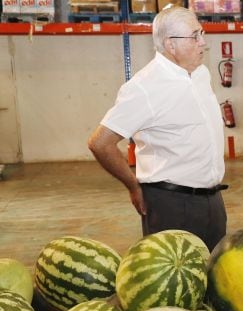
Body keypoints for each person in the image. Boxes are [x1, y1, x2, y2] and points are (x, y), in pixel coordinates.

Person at [88, 6, 227, 251]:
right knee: (175, 285)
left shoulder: (201, 74)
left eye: (202, 33)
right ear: (170, 45)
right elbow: (100, 143)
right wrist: (132, 186)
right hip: (171, 206)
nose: (203, 43)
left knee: (215, 279)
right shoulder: (145, 87)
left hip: (212, 201)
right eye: (195, 36)